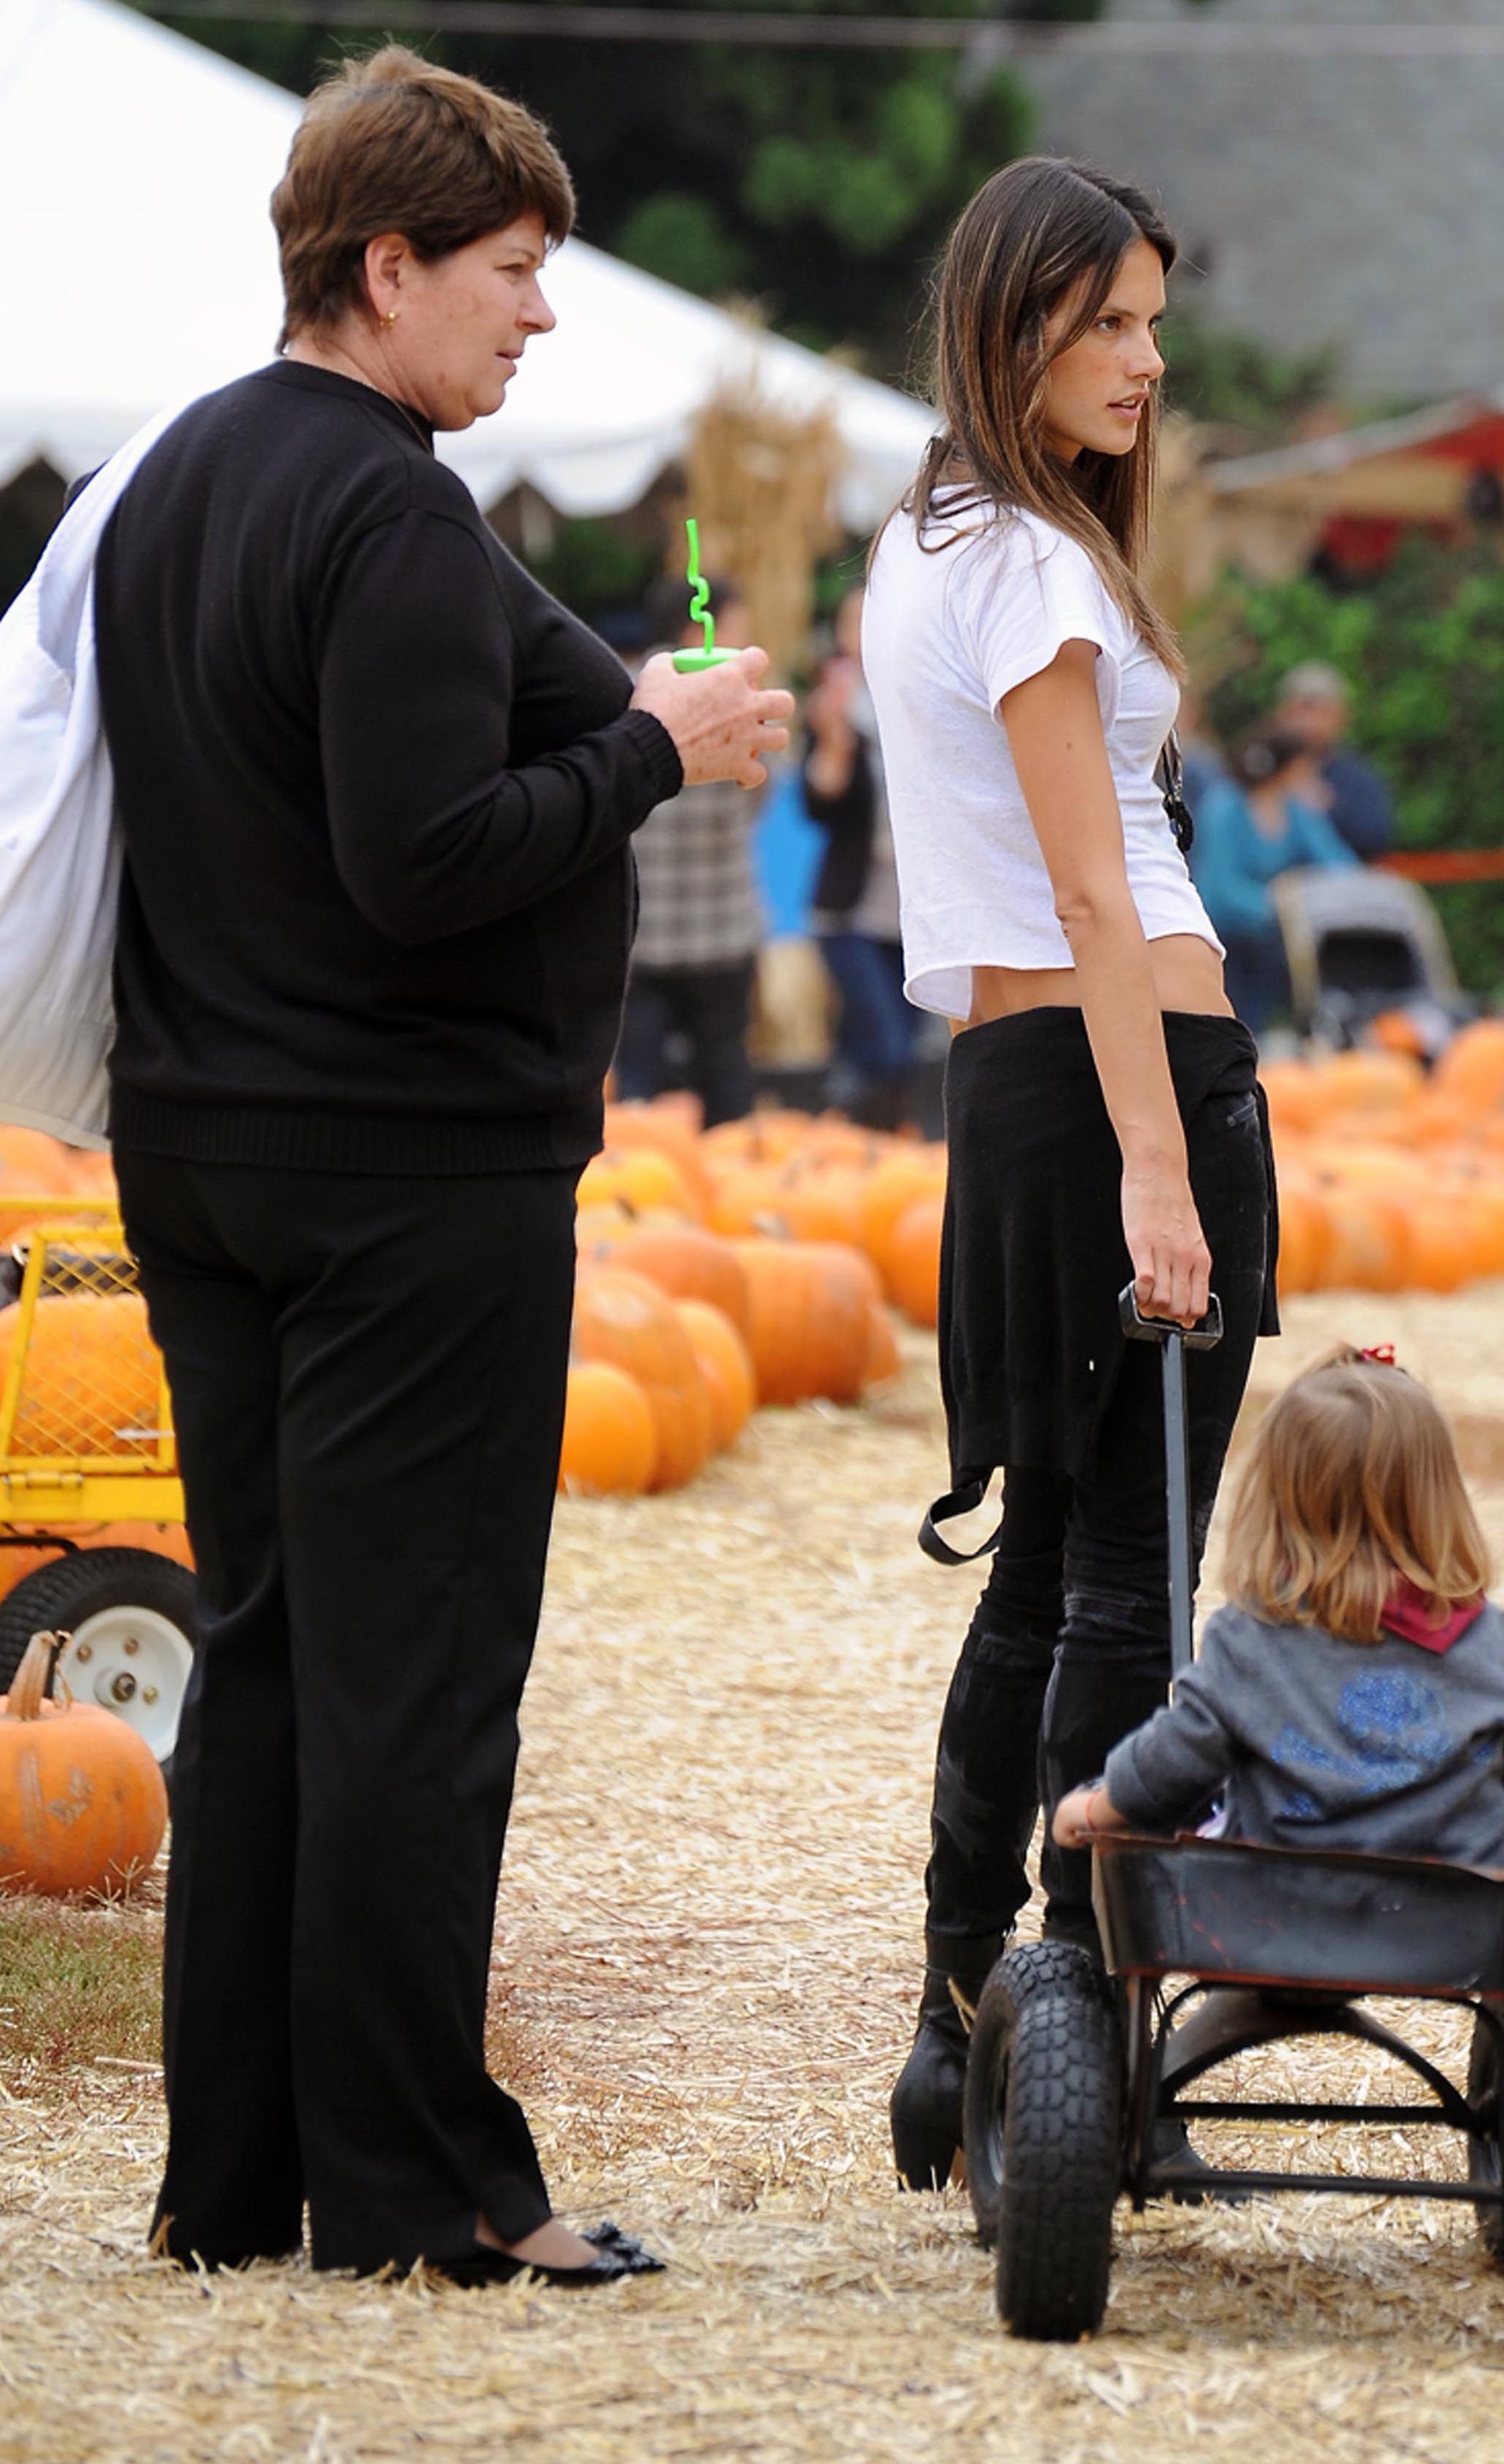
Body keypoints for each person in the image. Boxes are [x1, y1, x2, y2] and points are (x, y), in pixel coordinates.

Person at [90, 48, 790, 2282]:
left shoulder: (178, 472)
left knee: (276, 1659)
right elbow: (426, 861)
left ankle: (236, 2179)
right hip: (402, 1172)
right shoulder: (387, 505)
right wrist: (649, 749)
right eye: (508, 271)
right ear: (380, 267)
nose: (540, 317)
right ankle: (418, 2187)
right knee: (412, 1684)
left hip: (201, 1142)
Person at [860, 157, 1277, 2192]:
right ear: (1013, 317)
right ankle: (1077, 2029)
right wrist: (1164, 1171)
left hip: (1019, 1088)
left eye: (1151, 321)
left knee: (1046, 1566)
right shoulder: (1028, 560)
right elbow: (1097, 887)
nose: (1147, 358)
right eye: (1107, 320)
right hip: (1125, 1083)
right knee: (1134, 1577)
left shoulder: (922, 540)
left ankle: (966, 2029)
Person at [1054, 1345, 1504, 1873]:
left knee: (1198, 1830)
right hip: (1457, 1936)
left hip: (1277, 1926)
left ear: (1276, 1506)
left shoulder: (1252, 1637)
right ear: (1438, 1506)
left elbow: (1177, 1757)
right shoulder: (1484, 1639)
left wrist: (1099, 1807)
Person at [615, 574, 765, 1125]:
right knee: (726, 1078)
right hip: (721, 932)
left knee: (638, 1090)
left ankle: (636, 1203)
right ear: (698, 625)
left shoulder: (620, 691)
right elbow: (760, 792)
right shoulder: (736, 702)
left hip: (641, 935)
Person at [803, 588, 919, 1128]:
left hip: (912, 908)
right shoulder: (834, 710)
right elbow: (819, 801)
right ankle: (854, 1155)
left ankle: (869, 1152)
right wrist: (834, 742)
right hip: (851, 908)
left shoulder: (917, 701)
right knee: (886, 1045)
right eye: (854, 620)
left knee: (895, 1047)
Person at [1189, 727, 1357, 1035]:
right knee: (1238, 1016)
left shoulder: (1293, 808)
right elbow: (1219, 885)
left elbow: (1333, 858)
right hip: (1225, 934)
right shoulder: (1224, 806)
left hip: (1273, 931)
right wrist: (1280, 905)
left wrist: (1357, 890)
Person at [1271, 660, 1398, 862]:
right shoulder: (1259, 771)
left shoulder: (1357, 780)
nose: (1311, 722)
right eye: (1302, 710)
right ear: (1282, 714)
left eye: (1323, 712)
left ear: (1343, 718)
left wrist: (1329, 809)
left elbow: (1375, 840)